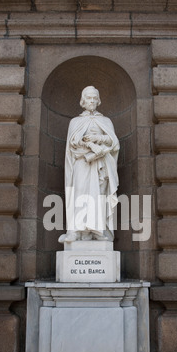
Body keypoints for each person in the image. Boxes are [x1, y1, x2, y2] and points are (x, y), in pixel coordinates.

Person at [59, 86, 120, 243]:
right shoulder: (76, 122)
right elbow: (73, 142)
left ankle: (98, 231)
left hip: (101, 164)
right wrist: (91, 145)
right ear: (83, 101)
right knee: (79, 194)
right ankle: (76, 231)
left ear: (98, 100)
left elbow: (114, 142)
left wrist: (99, 140)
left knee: (99, 195)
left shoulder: (105, 121)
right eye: (88, 98)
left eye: (94, 98)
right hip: (82, 162)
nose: (92, 101)